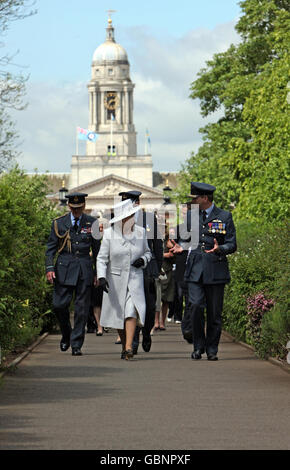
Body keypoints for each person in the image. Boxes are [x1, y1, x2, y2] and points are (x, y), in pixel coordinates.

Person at [170, 182, 237, 361]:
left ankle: (212, 348)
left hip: (215, 269)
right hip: (194, 270)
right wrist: (181, 248)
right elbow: (188, 240)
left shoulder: (224, 216)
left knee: (215, 313)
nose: (193, 202)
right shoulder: (191, 216)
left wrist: (220, 248)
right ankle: (198, 346)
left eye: (196, 198)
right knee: (196, 307)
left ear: (205, 199)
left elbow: (232, 244)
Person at [45, 192, 100, 356]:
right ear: (69, 206)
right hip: (63, 268)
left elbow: (97, 251)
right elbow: (50, 249)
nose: (76, 211)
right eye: (73, 208)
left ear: (84, 206)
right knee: (59, 305)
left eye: (79, 208)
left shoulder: (92, 223)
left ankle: (76, 344)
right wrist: (49, 268)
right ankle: (67, 333)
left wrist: (98, 272)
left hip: (84, 269)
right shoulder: (59, 223)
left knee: (82, 309)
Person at [97, 198, 152, 360]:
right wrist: (101, 277)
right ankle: (124, 345)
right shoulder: (109, 234)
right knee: (117, 316)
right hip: (115, 281)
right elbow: (101, 258)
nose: (132, 219)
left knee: (131, 310)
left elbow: (148, 252)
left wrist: (144, 260)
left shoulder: (141, 232)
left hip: (135, 280)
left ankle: (128, 347)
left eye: (133, 215)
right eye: (129, 216)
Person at [118, 191, 163, 355]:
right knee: (132, 304)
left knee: (150, 306)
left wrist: (158, 267)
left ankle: (147, 332)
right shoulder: (119, 220)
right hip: (129, 269)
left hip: (148, 267)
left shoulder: (149, 219)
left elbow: (157, 244)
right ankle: (133, 341)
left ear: (137, 203)